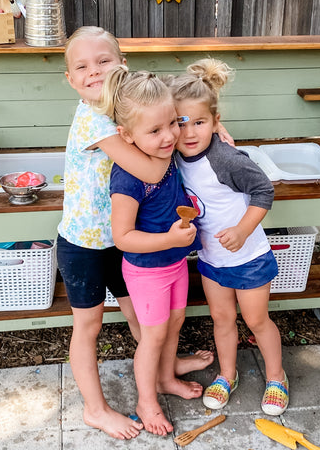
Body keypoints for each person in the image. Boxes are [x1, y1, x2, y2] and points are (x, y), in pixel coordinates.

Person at [57, 27, 213, 440]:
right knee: (87, 326)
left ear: (121, 65)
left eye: (104, 61)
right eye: (82, 67)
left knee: (140, 316)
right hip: (85, 244)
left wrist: (215, 129)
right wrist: (173, 139)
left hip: (121, 239)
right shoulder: (95, 119)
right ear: (71, 79)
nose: (95, 72)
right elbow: (153, 168)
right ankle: (95, 409)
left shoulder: (119, 108)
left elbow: (166, 107)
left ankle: (162, 369)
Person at [169, 58, 289, 416]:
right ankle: (226, 374)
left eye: (201, 123)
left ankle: (277, 375)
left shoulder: (225, 158)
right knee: (222, 320)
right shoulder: (174, 157)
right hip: (211, 261)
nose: (190, 133)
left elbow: (263, 191)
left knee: (255, 320)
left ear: (216, 122)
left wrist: (242, 229)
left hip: (249, 258)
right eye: (181, 123)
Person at [102, 66, 204, 436]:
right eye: (156, 130)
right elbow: (123, 237)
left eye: (172, 124)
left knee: (175, 324)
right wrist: (169, 241)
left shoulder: (165, 151)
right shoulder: (127, 177)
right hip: (147, 270)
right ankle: (146, 400)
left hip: (174, 262)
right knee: (152, 337)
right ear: (126, 135)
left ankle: (165, 379)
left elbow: (197, 112)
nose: (169, 137)